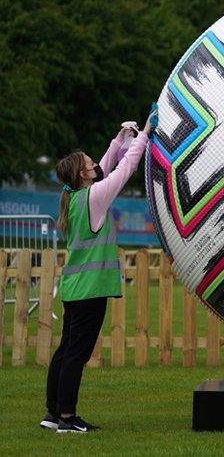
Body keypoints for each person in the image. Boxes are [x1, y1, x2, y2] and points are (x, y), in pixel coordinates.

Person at [41, 104, 157, 433]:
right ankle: (67, 417)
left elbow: (106, 169)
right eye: (89, 164)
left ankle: (52, 414)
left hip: (75, 289)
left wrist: (118, 141)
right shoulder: (94, 197)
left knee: (65, 350)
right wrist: (144, 135)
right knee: (77, 354)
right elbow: (122, 172)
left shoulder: (77, 197)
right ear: (82, 175)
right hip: (91, 289)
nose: (95, 164)